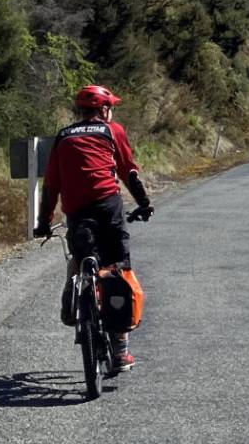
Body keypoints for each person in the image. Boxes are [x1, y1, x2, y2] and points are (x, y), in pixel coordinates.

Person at [34, 84, 154, 372]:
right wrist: (144, 203)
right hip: (107, 207)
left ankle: (71, 291)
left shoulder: (63, 136)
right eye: (110, 107)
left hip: (76, 211)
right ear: (103, 110)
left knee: (80, 256)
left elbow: (52, 184)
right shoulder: (113, 131)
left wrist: (44, 222)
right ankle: (121, 352)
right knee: (118, 268)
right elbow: (129, 172)